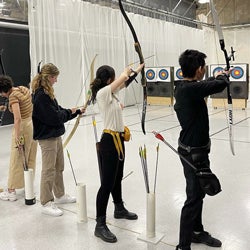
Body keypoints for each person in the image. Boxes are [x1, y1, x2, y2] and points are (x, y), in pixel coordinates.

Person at [174, 49, 230, 250]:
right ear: (199, 70)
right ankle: (183, 246)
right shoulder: (189, 89)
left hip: (195, 150)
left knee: (199, 192)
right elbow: (219, 84)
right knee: (194, 197)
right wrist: (222, 75)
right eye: (203, 67)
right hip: (193, 153)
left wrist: (216, 78)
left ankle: (196, 232)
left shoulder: (183, 86)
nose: (204, 70)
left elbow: (204, 87)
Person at [90, 63, 144, 243]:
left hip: (119, 140)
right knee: (106, 183)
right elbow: (122, 79)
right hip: (108, 142)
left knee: (117, 177)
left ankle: (119, 208)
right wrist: (126, 72)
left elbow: (125, 82)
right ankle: (100, 225)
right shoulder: (103, 93)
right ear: (109, 79)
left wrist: (138, 70)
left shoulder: (112, 93)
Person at [31, 63, 85, 217]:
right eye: (55, 77)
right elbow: (54, 117)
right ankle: (46, 202)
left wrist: (75, 111)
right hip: (47, 138)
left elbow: (57, 109)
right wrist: (69, 113)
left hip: (55, 135)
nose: (56, 80)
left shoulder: (47, 92)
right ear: (49, 77)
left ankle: (59, 195)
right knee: (48, 170)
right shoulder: (40, 95)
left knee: (58, 166)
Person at [0, 75, 37, 201]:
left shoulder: (13, 97)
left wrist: (17, 135)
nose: (1, 95)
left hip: (22, 127)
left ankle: (11, 191)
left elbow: (17, 118)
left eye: (1, 93)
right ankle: (28, 184)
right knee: (30, 156)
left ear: (4, 91)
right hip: (31, 125)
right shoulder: (22, 89)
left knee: (17, 158)